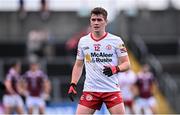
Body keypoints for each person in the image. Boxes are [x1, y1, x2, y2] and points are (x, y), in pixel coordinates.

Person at [68, 7, 130, 114]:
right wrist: (73, 84)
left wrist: (116, 68)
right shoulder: (83, 41)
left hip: (111, 90)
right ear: (90, 21)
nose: (96, 23)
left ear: (106, 22)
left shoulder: (116, 41)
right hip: (91, 90)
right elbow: (78, 65)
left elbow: (127, 64)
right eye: (93, 20)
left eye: (99, 20)